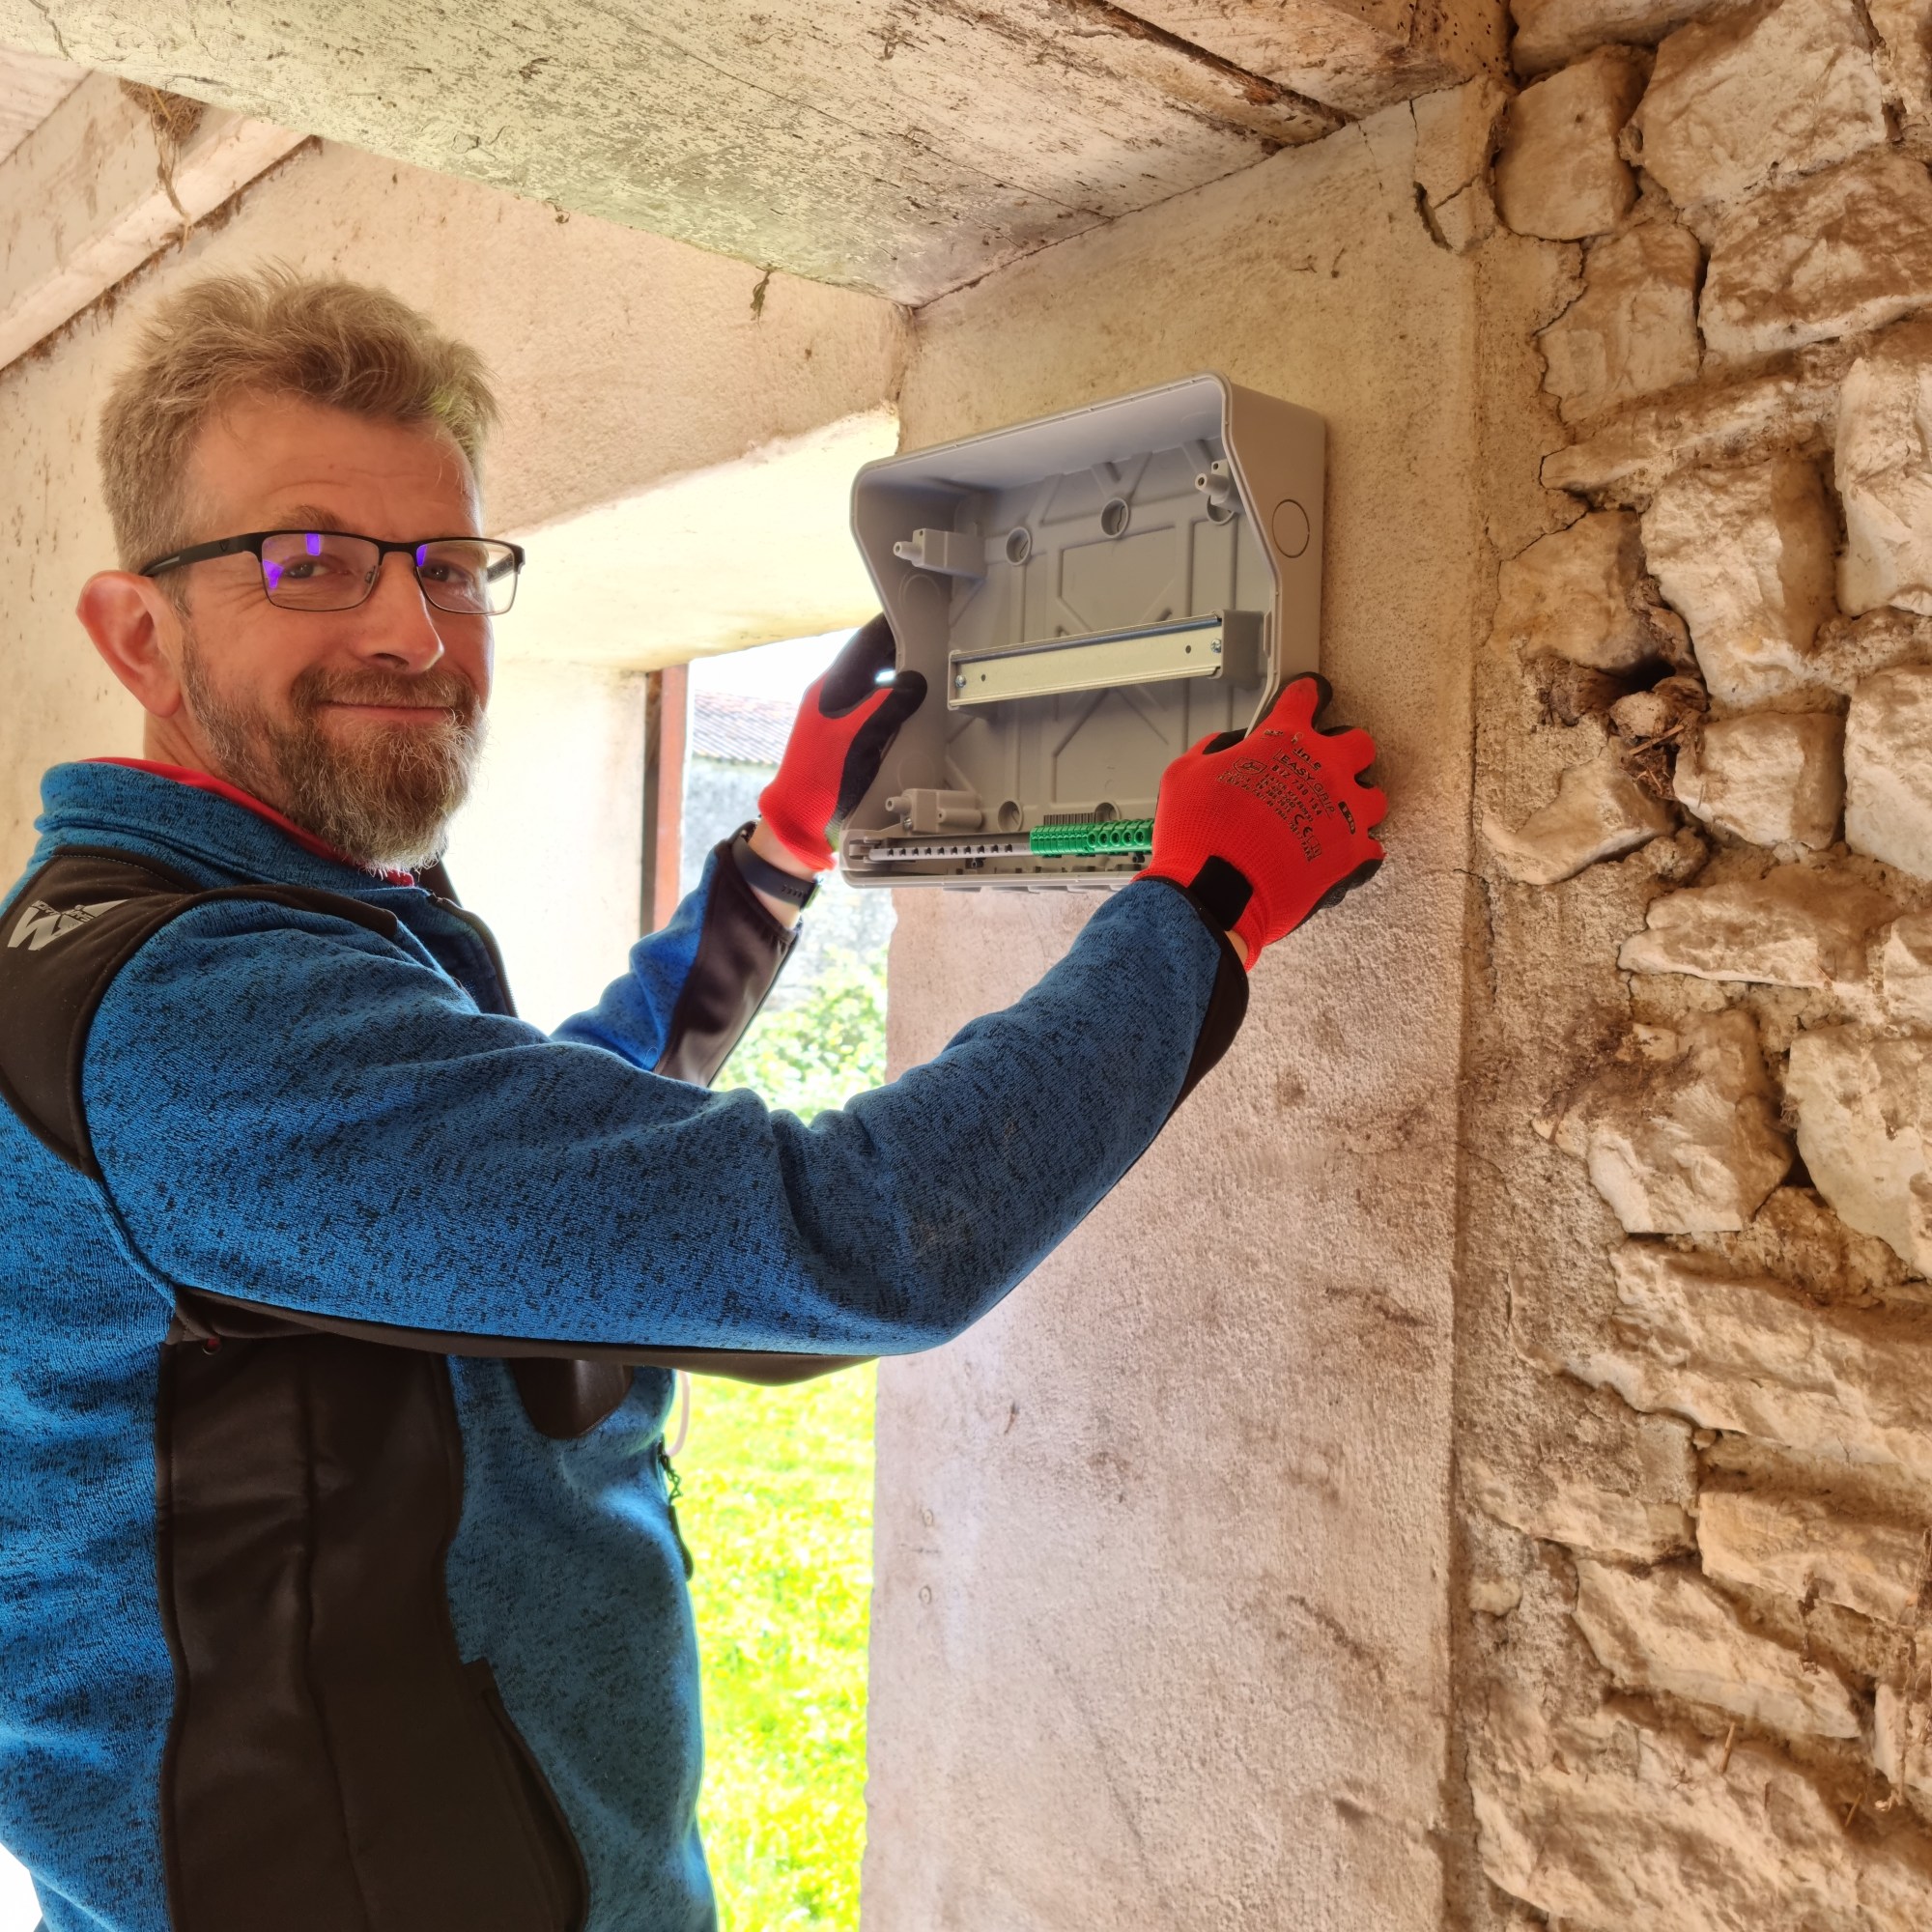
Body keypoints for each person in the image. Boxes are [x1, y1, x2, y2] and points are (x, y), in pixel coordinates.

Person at [0, 268, 1386, 1932]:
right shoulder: (202, 1018)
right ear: (136, 630)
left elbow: (553, 1156)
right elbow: (857, 1238)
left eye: (450, 564)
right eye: (310, 559)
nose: (412, 631)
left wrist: (775, 858)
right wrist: (1205, 905)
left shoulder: (227, 935)